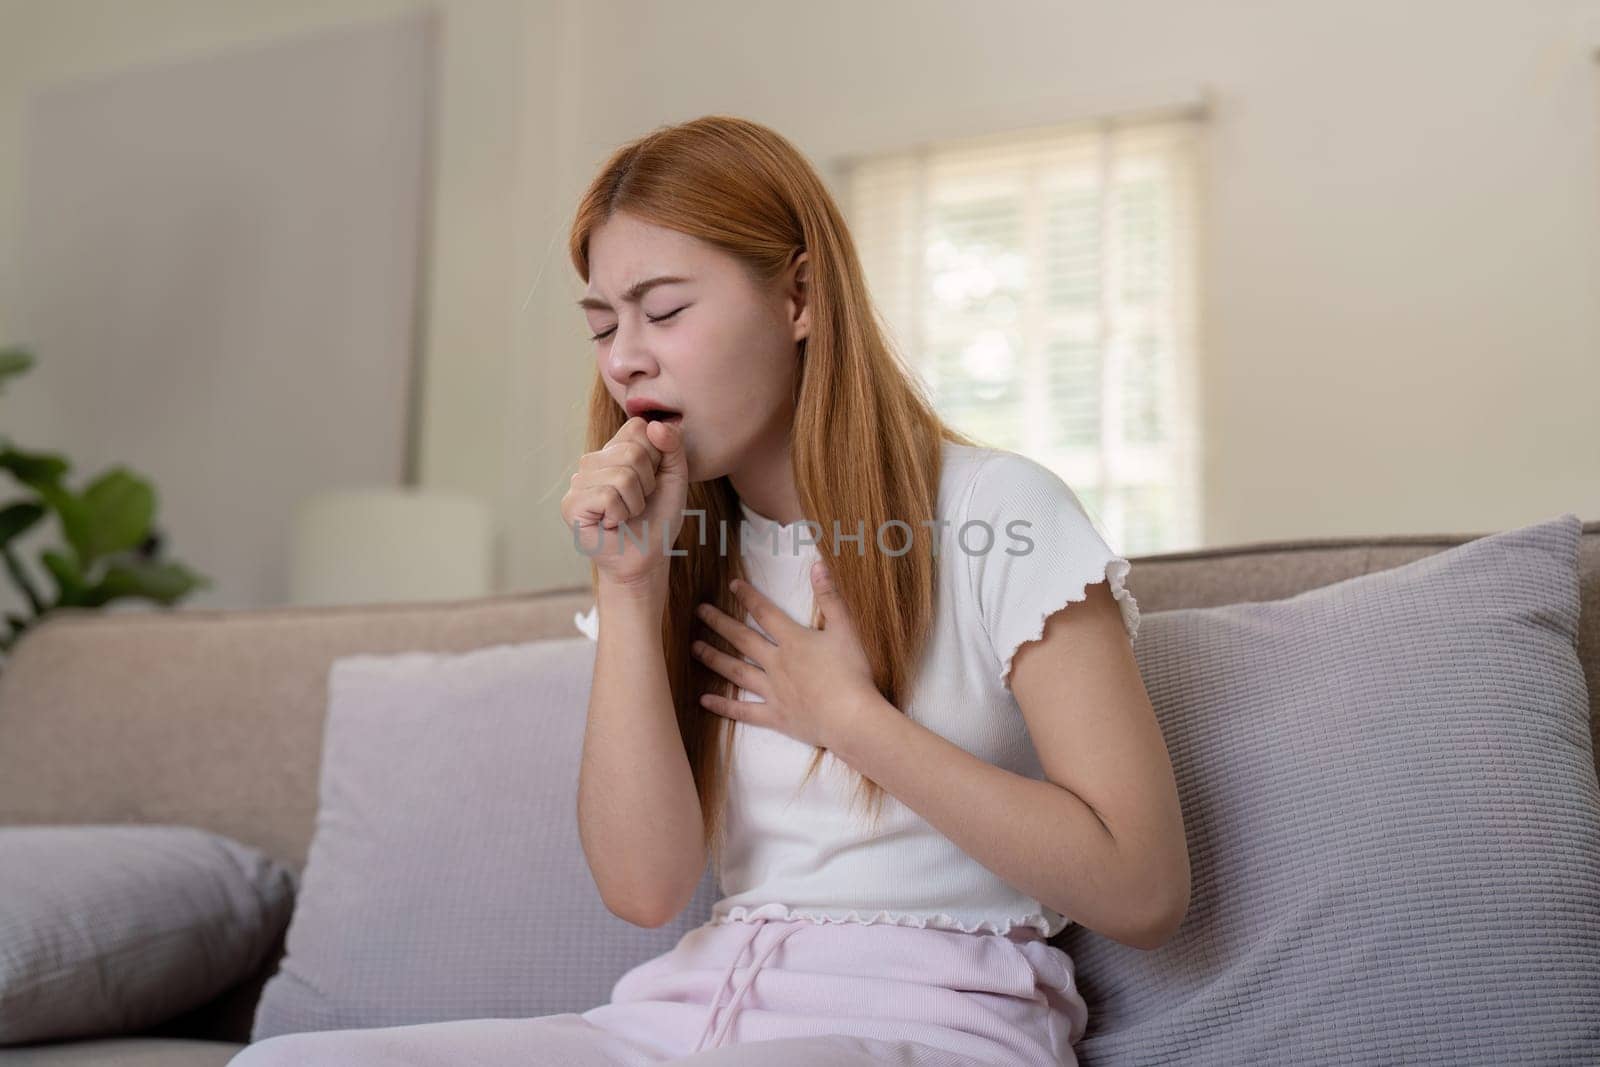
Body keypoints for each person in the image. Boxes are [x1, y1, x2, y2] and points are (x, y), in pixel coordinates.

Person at [231, 114, 1188, 1067]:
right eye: (605, 323)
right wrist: (627, 586)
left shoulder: (997, 510)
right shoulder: (687, 547)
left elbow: (1142, 889)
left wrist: (850, 719)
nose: (624, 357)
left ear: (800, 296)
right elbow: (646, 890)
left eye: (665, 311)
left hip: (935, 1022)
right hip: (683, 1017)